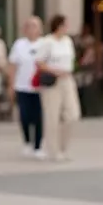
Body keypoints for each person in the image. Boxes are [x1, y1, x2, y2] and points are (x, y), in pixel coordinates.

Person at [37, 15, 81, 162]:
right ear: (58, 26)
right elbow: (39, 62)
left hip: (67, 79)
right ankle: (53, 150)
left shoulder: (67, 41)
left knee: (72, 114)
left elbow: (72, 60)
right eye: (65, 25)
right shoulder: (47, 42)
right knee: (52, 116)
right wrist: (54, 70)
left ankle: (63, 146)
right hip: (52, 81)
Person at [7, 16, 45, 157]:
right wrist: (11, 85)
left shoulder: (44, 44)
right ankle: (27, 141)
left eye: (35, 26)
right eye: (29, 26)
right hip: (22, 86)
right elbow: (12, 66)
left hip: (39, 88)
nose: (32, 29)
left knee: (38, 117)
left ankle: (38, 146)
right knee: (24, 116)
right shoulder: (19, 45)